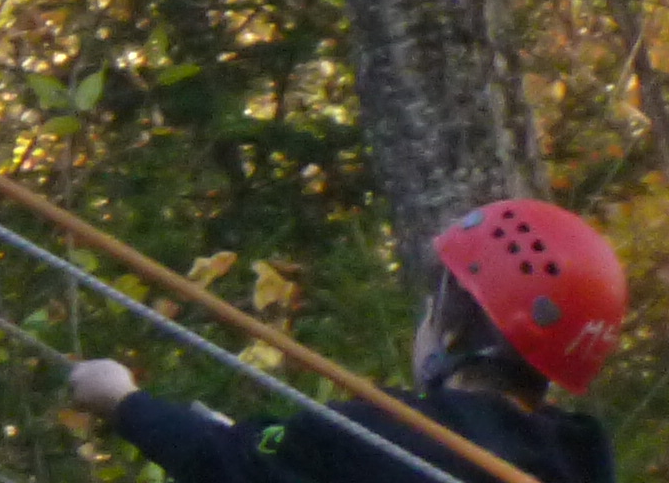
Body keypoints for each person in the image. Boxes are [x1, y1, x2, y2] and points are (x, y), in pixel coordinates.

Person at [62, 198, 624, 482]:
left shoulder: (388, 434)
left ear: (456, 330)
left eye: (433, 308)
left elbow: (233, 466)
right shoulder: (577, 462)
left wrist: (123, 402)